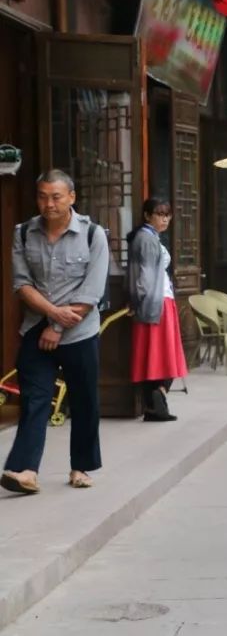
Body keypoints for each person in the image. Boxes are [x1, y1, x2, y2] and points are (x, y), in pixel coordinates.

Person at [2, 170, 110, 494]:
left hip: (80, 331)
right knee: (35, 398)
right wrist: (50, 318)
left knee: (84, 399)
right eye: (42, 196)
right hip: (36, 329)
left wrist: (58, 326)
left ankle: (81, 467)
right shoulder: (23, 233)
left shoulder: (93, 234)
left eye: (56, 196)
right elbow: (21, 284)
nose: (48, 204)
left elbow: (92, 293)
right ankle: (24, 470)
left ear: (72, 197)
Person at [127, 197, 185, 423]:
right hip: (156, 302)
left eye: (167, 215)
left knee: (158, 356)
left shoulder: (148, 237)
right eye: (160, 214)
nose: (165, 219)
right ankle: (156, 402)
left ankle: (155, 404)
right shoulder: (147, 239)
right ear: (147, 215)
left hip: (158, 300)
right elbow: (145, 277)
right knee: (162, 356)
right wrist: (138, 300)